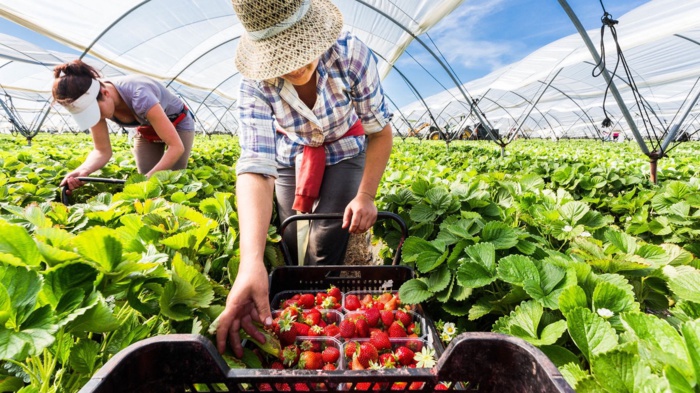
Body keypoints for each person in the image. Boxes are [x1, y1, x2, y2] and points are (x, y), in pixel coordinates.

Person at [216, 0, 393, 357]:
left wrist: (367, 196)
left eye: (301, 48)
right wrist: (250, 261)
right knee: (291, 233)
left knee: (326, 237)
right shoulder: (254, 83)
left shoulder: (352, 55)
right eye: (281, 57)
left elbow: (380, 133)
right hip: (292, 153)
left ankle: (322, 316)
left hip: (346, 149)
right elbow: (255, 167)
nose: (296, 65)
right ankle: (296, 309)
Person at [52, 59, 195, 192]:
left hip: (177, 122)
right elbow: (102, 151)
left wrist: (150, 177)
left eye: (95, 112)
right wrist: (84, 170)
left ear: (105, 92)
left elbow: (176, 147)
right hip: (146, 128)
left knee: (173, 179)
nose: (97, 118)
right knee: (145, 180)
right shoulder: (92, 97)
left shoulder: (140, 95)